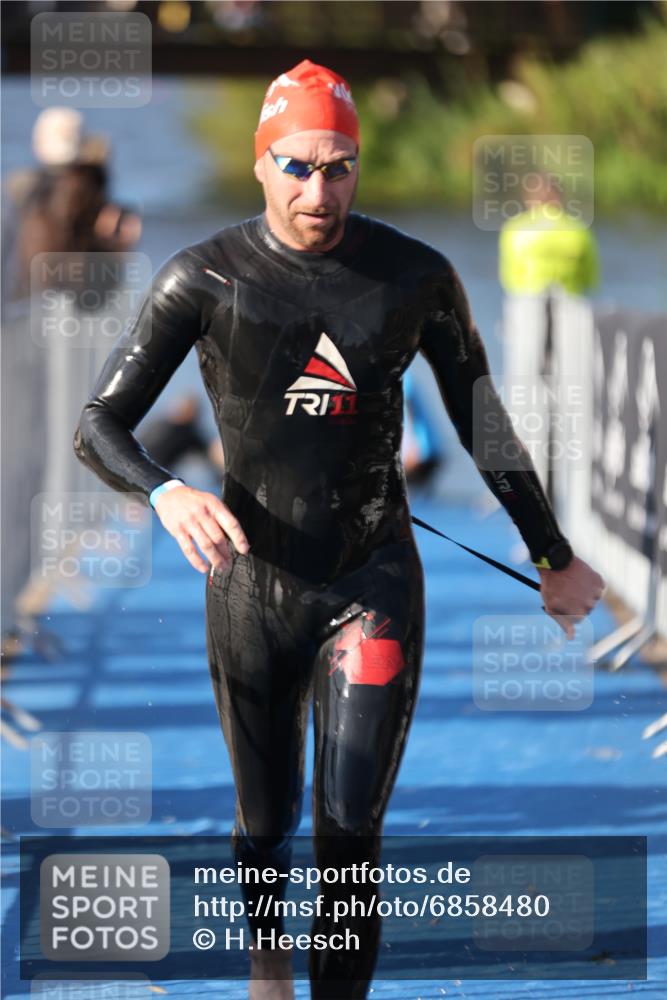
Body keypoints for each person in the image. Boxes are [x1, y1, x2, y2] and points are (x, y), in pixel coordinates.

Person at [74, 60, 605, 1000]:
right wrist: (165, 493)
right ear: (260, 166)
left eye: (340, 167)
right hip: (250, 585)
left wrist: (552, 555)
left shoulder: (413, 276)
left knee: (350, 831)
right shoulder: (202, 278)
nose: (318, 190)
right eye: (297, 167)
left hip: (373, 582)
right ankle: (267, 961)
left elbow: (483, 419)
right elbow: (97, 428)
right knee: (266, 820)